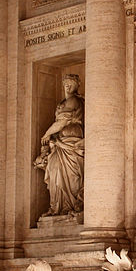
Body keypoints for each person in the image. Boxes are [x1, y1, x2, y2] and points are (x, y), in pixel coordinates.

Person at [34, 74, 85, 217]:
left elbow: (62, 122)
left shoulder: (74, 101)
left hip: (71, 142)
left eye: (71, 83)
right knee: (55, 170)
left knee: (72, 176)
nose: (68, 86)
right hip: (60, 143)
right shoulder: (64, 102)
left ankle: (72, 205)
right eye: (66, 83)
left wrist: (46, 134)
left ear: (77, 86)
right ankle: (58, 207)